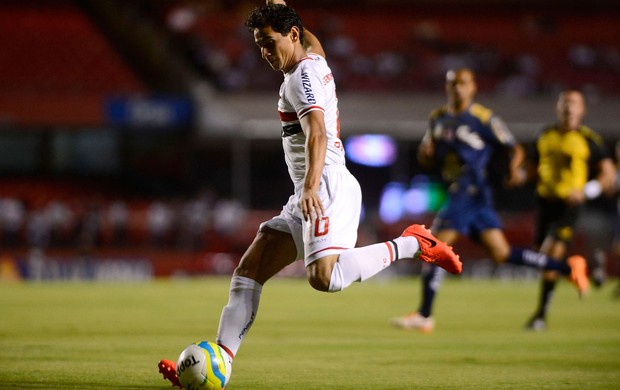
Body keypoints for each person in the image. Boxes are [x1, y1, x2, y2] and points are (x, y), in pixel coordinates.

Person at [158, 1, 462, 387]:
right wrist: (284, 10)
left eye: (270, 42)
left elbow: (317, 131)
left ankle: (411, 243)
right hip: (310, 187)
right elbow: (314, 43)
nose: (265, 53)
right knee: (249, 270)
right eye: (259, 45)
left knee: (324, 277)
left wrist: (310, 187)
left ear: (293, 35)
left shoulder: (300, 79)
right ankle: (220, 361)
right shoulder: (313, 60)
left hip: (324, 186)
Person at [390, 68, 590, 333]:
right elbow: (427, 156)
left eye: (462, 83)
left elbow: (514, 148)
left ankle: (425, 315)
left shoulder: (483, 118)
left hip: (471, 188)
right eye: (452, 84)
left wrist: (512, 169)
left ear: (473, 88)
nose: (457, 89)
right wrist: (425, 153)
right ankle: (567, 266)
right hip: (465, 192)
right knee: (501, 253)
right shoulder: (437, 119)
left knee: (435, 244)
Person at [524, 90, 616, 330]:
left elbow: (608, 174)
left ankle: (540, 316)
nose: (569, 108)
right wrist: (518, 176)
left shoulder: (588, 139)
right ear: (558, 107)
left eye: (574, 104)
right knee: (540, 260)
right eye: (565, 103)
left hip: (570, 204)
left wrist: (586, 191)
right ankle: (585, 267)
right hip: (545, 203)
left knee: (547, 257)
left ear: (582, 110)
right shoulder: (544, 135)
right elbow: (531, 169)